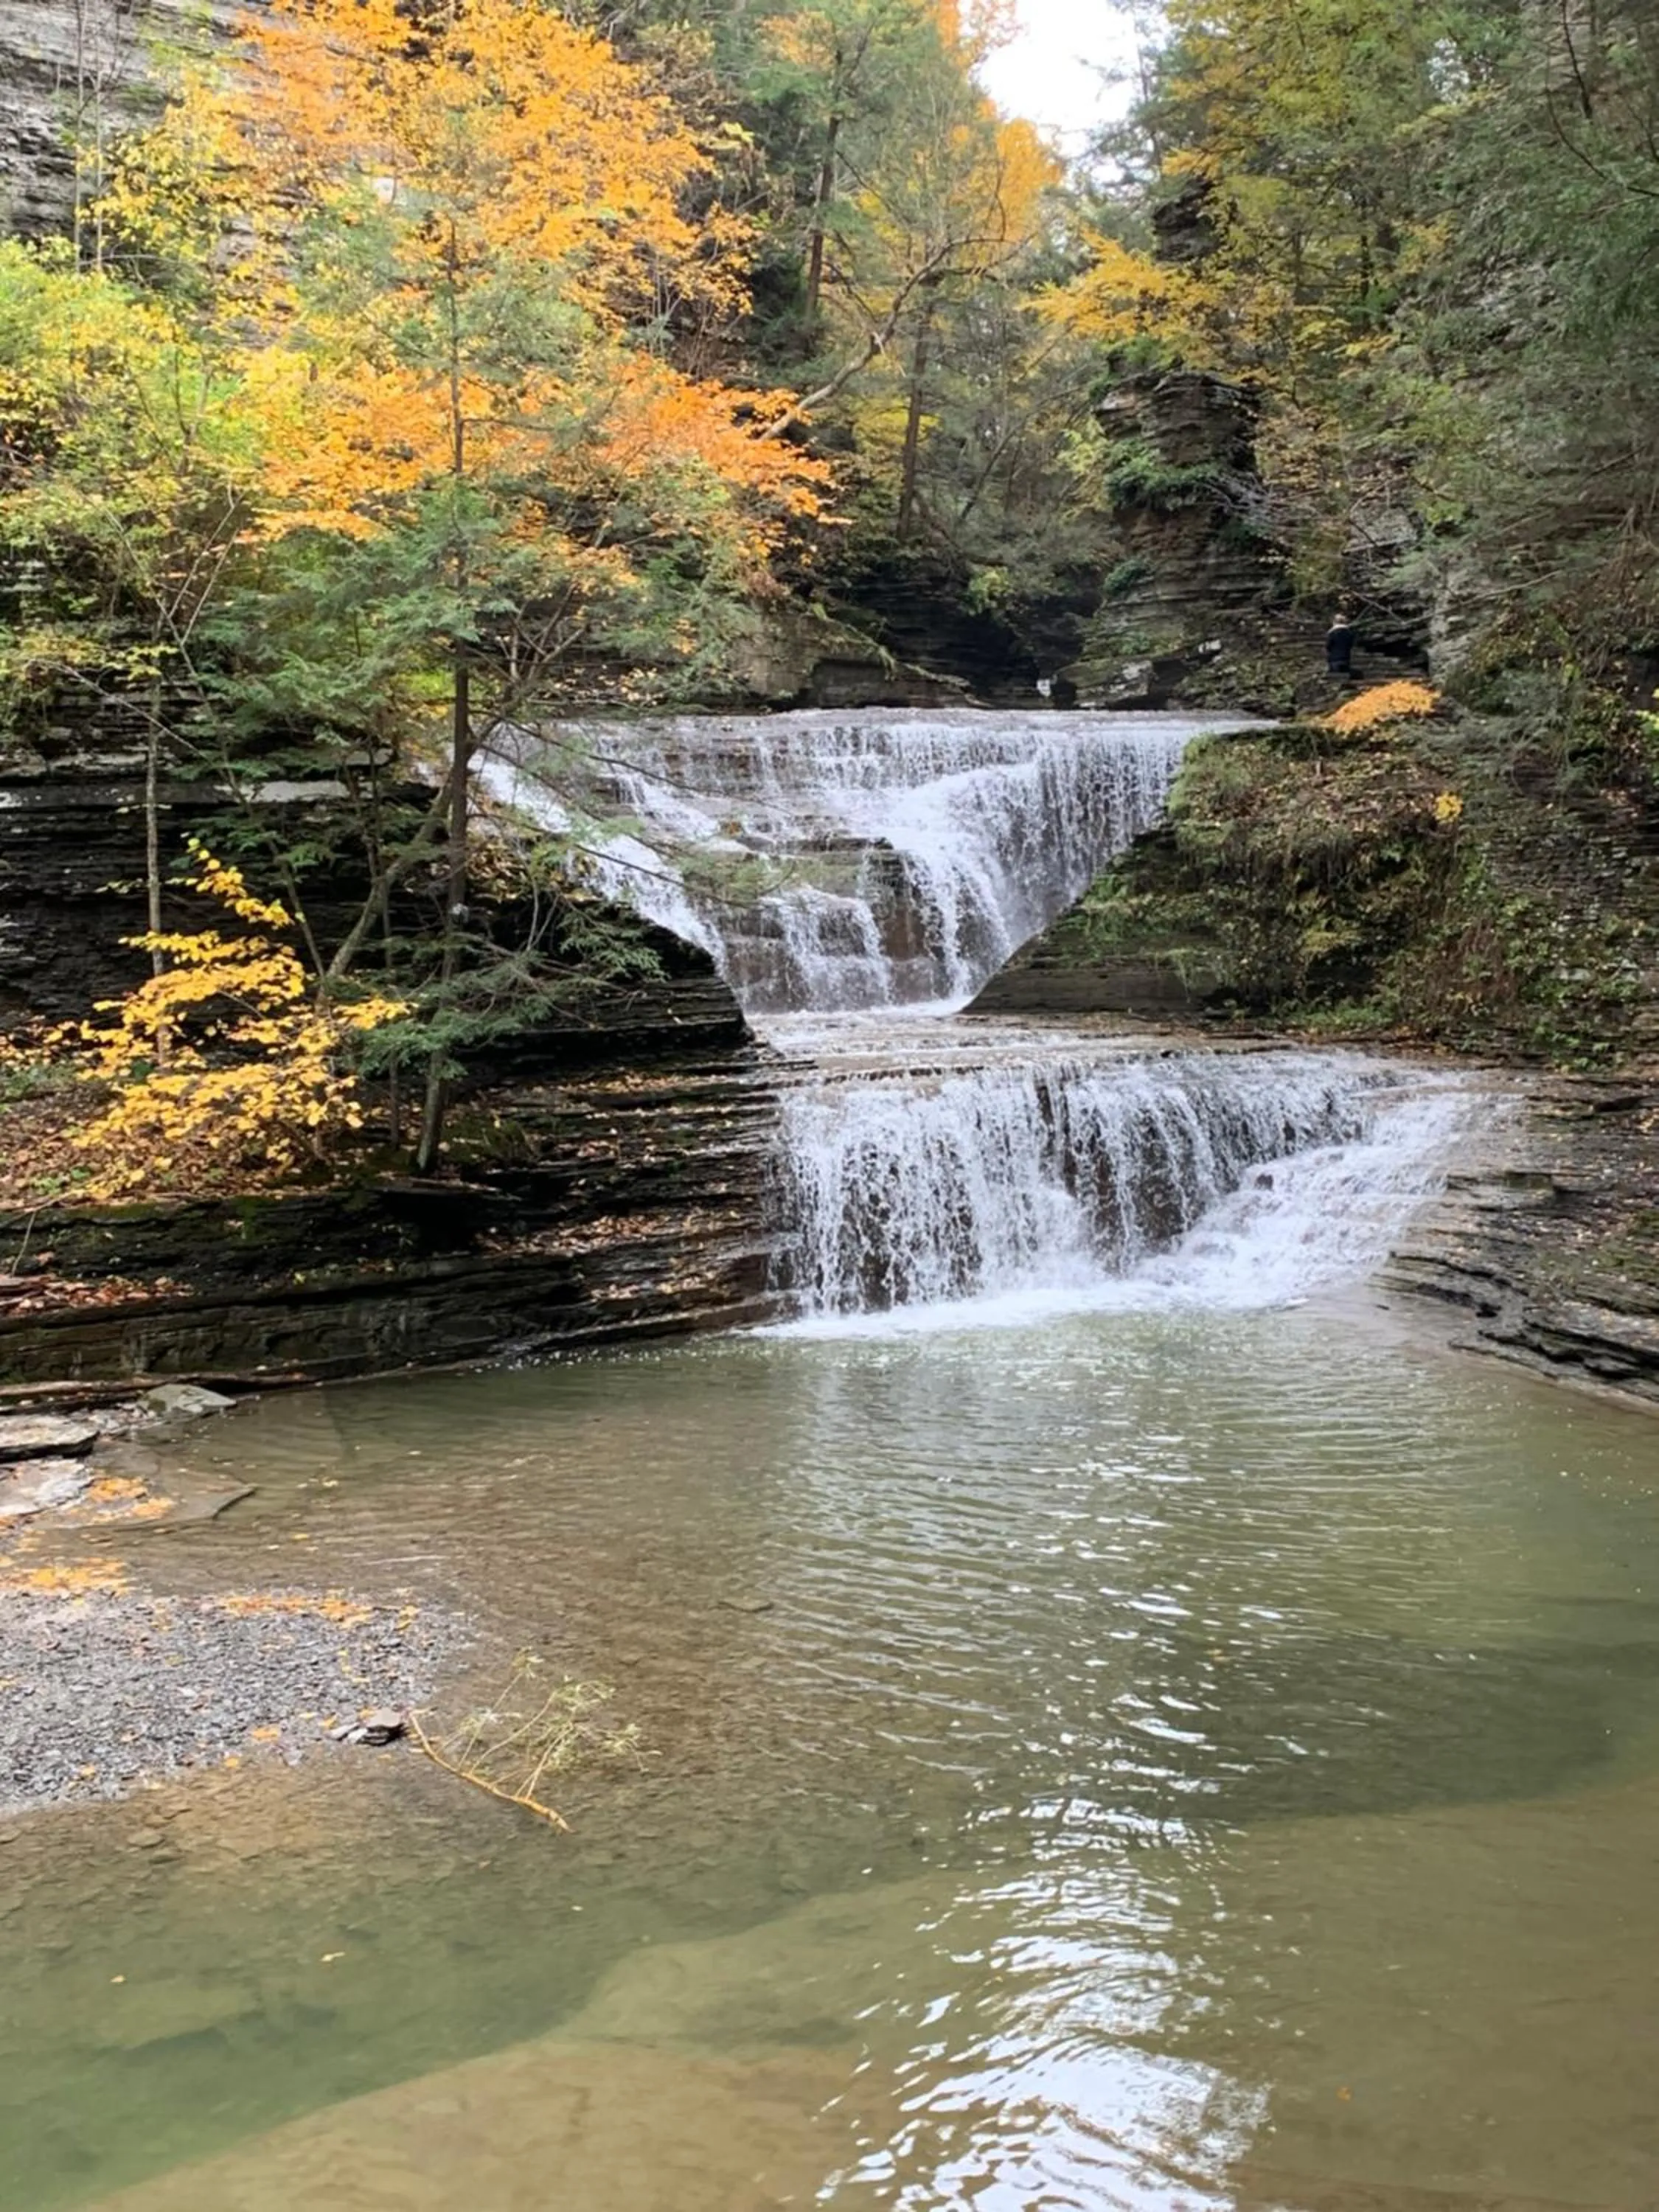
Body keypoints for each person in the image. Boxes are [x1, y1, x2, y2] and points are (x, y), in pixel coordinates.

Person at [1325, 611, 1355, 676]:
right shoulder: (1349, 633)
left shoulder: (1332, 633)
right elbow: (1351, 644)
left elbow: (1328, 646)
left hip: (1334, 659)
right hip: (1346, 658)